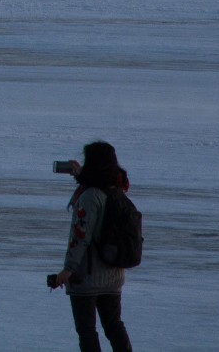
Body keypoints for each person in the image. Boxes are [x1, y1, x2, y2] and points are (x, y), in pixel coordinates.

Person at [47, 140, 133, 352]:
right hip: (113, 274)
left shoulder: (89, 196)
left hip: (86, 277)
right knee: (114, 326)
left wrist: (67, 270)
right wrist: (80, 175)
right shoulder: (117, 192)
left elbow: (80, 236)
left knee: (87, 331)